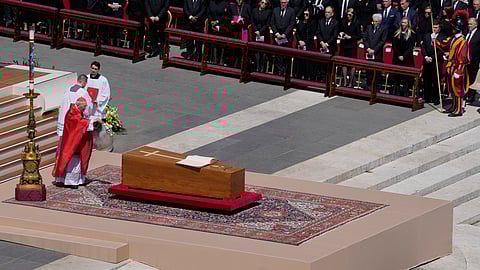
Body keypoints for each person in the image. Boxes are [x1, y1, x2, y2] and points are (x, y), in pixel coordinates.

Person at [53, 74, 94, 189]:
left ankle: (60, 177)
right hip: (76, 127)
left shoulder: (68, 90)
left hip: (65, 125)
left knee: (64, 151)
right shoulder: (83, 93)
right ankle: (73, 180)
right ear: (85, 83)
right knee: (75, 152)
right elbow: (87, 111)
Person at [435, 14, 471, 117]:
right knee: (452, 89)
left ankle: (459, 109)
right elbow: (444, 45)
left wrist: (459, 71)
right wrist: (436, 41)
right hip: (450, 66)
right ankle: (453, 106)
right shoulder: (453, 39)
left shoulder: (463, 42)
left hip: (457, 68)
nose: (452, 30)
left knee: (458, 89)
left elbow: (463, 58)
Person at [339, 8, 361, 87]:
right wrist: (341, 34)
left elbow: (358, 36)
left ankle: (351, 82)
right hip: (344, 45)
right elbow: (340, 31)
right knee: (344, 63)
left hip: (352, 45)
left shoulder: (357, 23)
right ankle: (345, 81)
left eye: (350, 14)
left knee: (352, 64)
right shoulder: (343, 22)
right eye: (347, 14)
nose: (348, 16)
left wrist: (350, 37)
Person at [86, 61, 111, 126]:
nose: (93, 70)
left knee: (96, 123)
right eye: (92, 68)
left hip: (97, 105)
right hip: (88, 104)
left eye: (95, 69)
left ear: (98, 70)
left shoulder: (103, 80)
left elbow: (106, 94)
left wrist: (97, 100)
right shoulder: (87, 78)